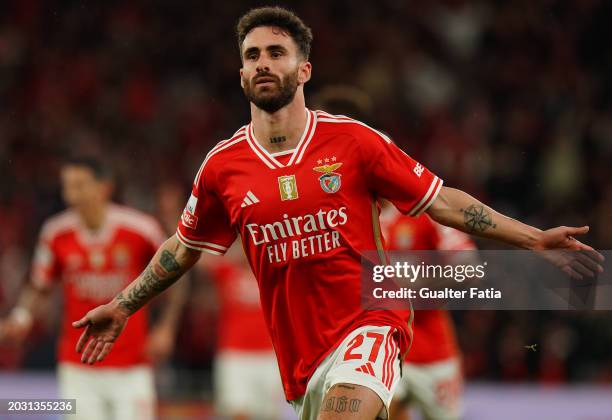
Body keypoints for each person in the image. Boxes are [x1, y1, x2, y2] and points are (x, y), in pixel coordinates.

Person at [71, 7, 602, 420]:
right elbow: (183, 248)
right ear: (239, 73)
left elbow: (443, 200)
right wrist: (122, 304)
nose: (263, 63)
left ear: (304, 68)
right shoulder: (221, 167)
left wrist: (532, 241)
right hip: (302, 356)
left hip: (372, 322)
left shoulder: (352, 141)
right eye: (252, 54)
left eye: (276, 52)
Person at [0, 157, 184, 420]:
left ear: (104, 187)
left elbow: (177, 273)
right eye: (67, 187)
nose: (71, 195)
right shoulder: (55, 233)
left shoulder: (140, 230)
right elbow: (40, 286)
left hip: (131, 366)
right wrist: (22, 317)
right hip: (78, 367)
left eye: (79, 186)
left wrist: (167, 327)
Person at [381, 205, 474, 420]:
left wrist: (417, 286)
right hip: (387, 349)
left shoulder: (423, 215)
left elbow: (468, 265)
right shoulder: (358, 217)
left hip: (433, 352)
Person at [200, 241, 284, 419]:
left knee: (269, 414)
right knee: (237, 412)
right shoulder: (227, 270)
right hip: (234, 355)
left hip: (269, 355)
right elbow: (198, 258)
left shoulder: (271, 272)